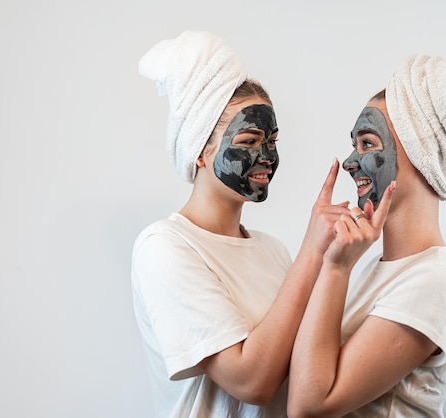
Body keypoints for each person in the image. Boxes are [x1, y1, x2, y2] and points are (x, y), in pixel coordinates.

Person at [288, 54, 446, 417]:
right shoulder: (384, 270)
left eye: (368, 143)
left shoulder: (434, 282)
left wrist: (335, 269)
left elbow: (307, 406)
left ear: (420, 152)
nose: (351, 161)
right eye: (355, 144)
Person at [131, 30, 350, 417]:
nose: (266, 155)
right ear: (200, 151)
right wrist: (312, 254)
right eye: (248, 140)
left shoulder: (273, 251)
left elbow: (308, 375)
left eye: (272, 141)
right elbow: (252, 382)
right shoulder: (165, 247)